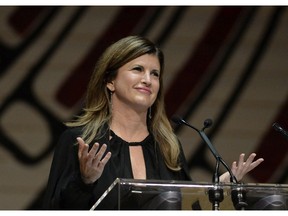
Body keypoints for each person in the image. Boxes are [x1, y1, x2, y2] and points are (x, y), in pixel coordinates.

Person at [42, 35, 264, 210]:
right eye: (137, 69)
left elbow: (184, 208)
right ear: (110, 81)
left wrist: (217, 190)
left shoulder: (168, 147)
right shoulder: (82, 142)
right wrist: (85, 182)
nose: (148, 80)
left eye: (155, 73)